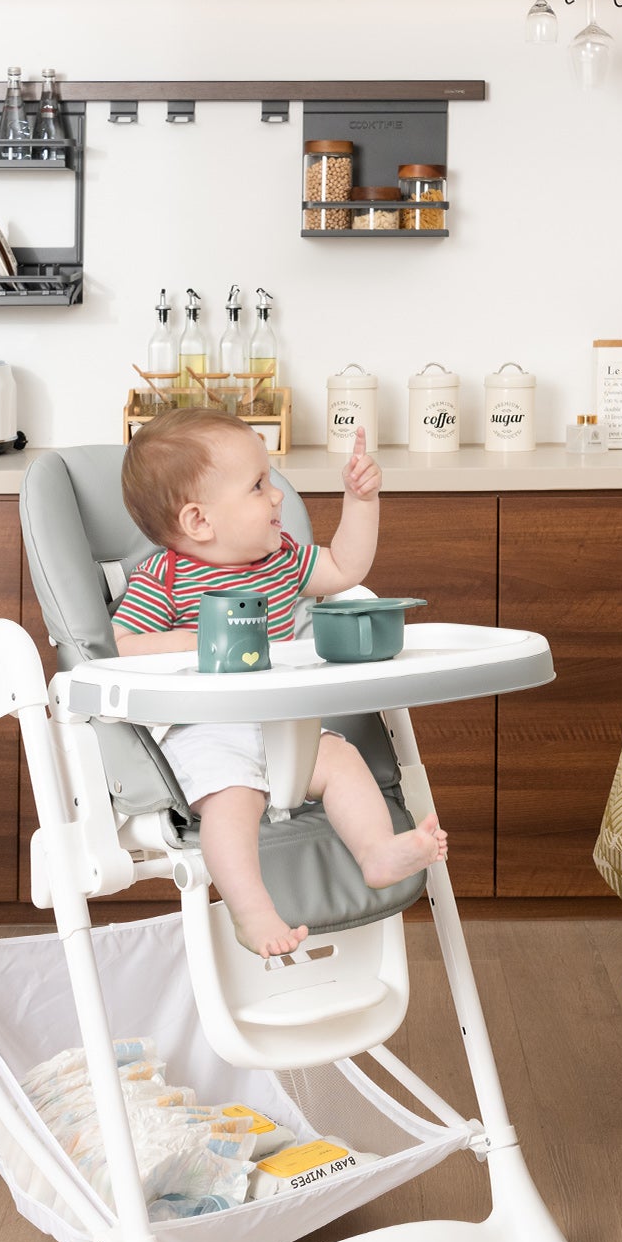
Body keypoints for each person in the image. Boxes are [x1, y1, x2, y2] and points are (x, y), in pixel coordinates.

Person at [111, 407, 446, 960]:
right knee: (231, 805)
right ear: (199, 521)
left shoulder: (281, 559)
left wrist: (361, 503)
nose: (277, 497)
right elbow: (121, 647)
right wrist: (197, 642)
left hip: (283, 726)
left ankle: (377, 853)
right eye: (259, 485)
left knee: (342, 763)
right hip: (207, 730)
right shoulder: (165, 579)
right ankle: (252, 910)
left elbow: (344, 567)